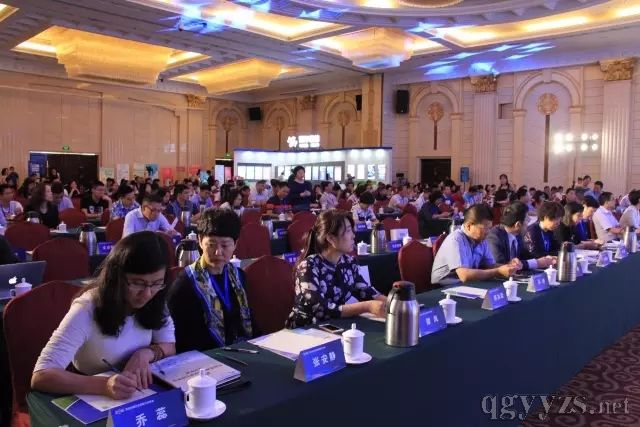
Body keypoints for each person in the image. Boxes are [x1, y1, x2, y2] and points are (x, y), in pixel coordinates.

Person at [31, 232, 176, 398]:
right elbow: (41, 376)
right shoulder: (87, 308)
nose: (147, 294)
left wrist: (145, 354)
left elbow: (169, 346)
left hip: (133, 392)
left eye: (156, 283)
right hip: (90, 395)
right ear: (117, 277)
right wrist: (104, 385)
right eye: (137, 283)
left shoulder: (155, 297)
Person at [169, 209, 254, 352]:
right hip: (204, 358)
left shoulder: (239, 276)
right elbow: (182, 340)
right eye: (211, 244)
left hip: (242, 352)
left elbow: (251, 322)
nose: (218, 252)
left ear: (235, 244)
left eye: (225, 245)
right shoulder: (185, 284)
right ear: (200, 241)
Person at [286, 210, 386, 328]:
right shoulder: (308, 266)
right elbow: (320, 308)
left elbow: (366, 292)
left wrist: (395, 302)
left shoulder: (348, 262)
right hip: (305, 329)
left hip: (335, 326)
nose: (353, 235)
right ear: (331, 238)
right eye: (348, 231)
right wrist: (367, 306)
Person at [431, 204, 518, 285]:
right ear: (469, 226)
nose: (488, 232)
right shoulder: (456, 239)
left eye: (489, 228)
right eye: (485, 228)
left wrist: (509, 266)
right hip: (442, 288)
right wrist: (498, 271)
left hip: (464, 285)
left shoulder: (481, 239)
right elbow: (464, 275)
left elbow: (490, 265)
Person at [487, 202, 556, 270]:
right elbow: (501, 264)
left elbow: (525, 257)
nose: (529, 222)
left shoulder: (518, 234)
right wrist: (536, 263)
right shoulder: (495, 236)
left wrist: (545, 259)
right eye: (527, 220)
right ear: (518, 225)